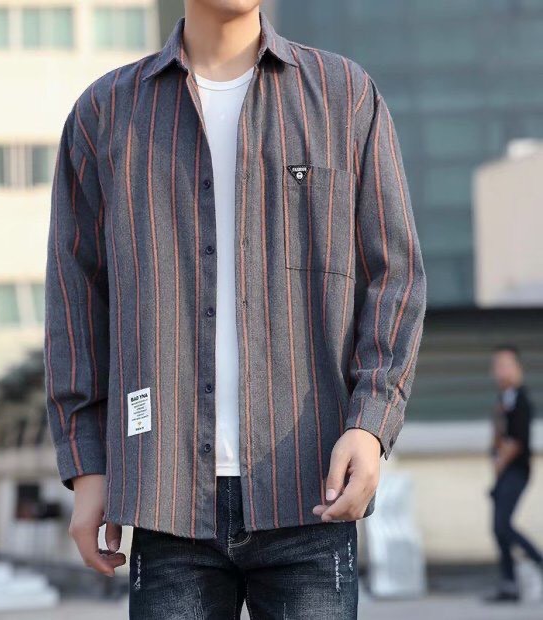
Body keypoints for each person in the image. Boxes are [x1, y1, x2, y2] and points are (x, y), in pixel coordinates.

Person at [43, 2, 426, 618]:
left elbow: (395, 274)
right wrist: (88, 466)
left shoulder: (343, 96)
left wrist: (371, 422)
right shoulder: (107, 112)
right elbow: (75, 300)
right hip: (165, 496)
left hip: (309, 489)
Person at [486, 344, 543, 603]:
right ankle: (509, 585)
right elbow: (499, 437)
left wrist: (499, 465)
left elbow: (517, 441)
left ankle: (538, 560)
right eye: (497, 366)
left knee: (503, 525)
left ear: (518, 369)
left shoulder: (521, 400)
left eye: (505, 365)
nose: (500, 371)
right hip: (504, 473)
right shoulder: (503, 400)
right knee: (498, 529)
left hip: (516, 471)